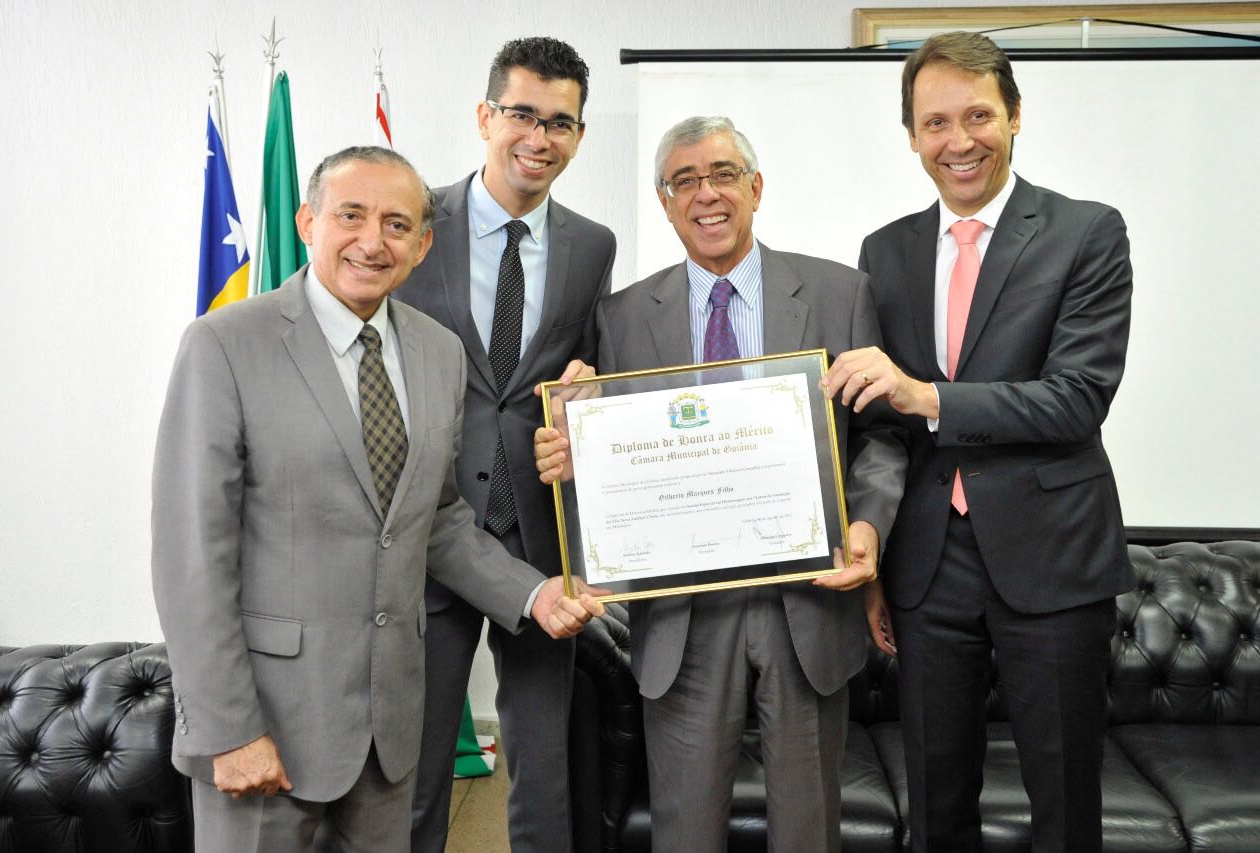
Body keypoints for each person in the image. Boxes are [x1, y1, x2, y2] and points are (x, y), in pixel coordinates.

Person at [151, 146, 602, 853]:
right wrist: (227, 728)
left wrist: (531, 593)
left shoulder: (438, 352)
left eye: (397, 224)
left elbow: (438, 519)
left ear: (423, 246)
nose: (372, 241)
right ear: (307, 221)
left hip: (390, 733)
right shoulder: (225, 344)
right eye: (351, 215)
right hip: (266, 729)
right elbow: (190, 559)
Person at [536, 116, 906, 853]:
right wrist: (578, 456)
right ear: (665, 202)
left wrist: (866, 526)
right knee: (685, 826)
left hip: (808, 601)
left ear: (756, 188)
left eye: (723, 174)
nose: (706, 194)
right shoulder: (622, 317)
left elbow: (881, 439)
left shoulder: (839, 293)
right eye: (684, 181)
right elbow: (617, 456)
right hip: (683, 615)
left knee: (809, 829)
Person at [823, 31, 1134, 853]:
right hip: (927, 566)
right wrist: (877, 550)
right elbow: (885, 428)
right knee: (935, 805)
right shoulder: (882, 253)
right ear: (912, 134)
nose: (958, 142)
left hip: (1054, 558)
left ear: (1015, 116)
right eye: (935, 123)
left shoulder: (1086, 233)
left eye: (978, 116)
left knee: (1065, 808)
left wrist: (927, 394)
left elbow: (1077, 398)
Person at [391, 36, 615, 853]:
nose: (539, 136)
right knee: (413, 770)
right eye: (522, 113)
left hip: (538, 540)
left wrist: (591, 401)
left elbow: (586, 370)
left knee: (543, 767)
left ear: (579, 136)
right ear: (486, 117)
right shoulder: (414, 224)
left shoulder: (594, 245)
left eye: (560, 122)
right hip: (425, 535)